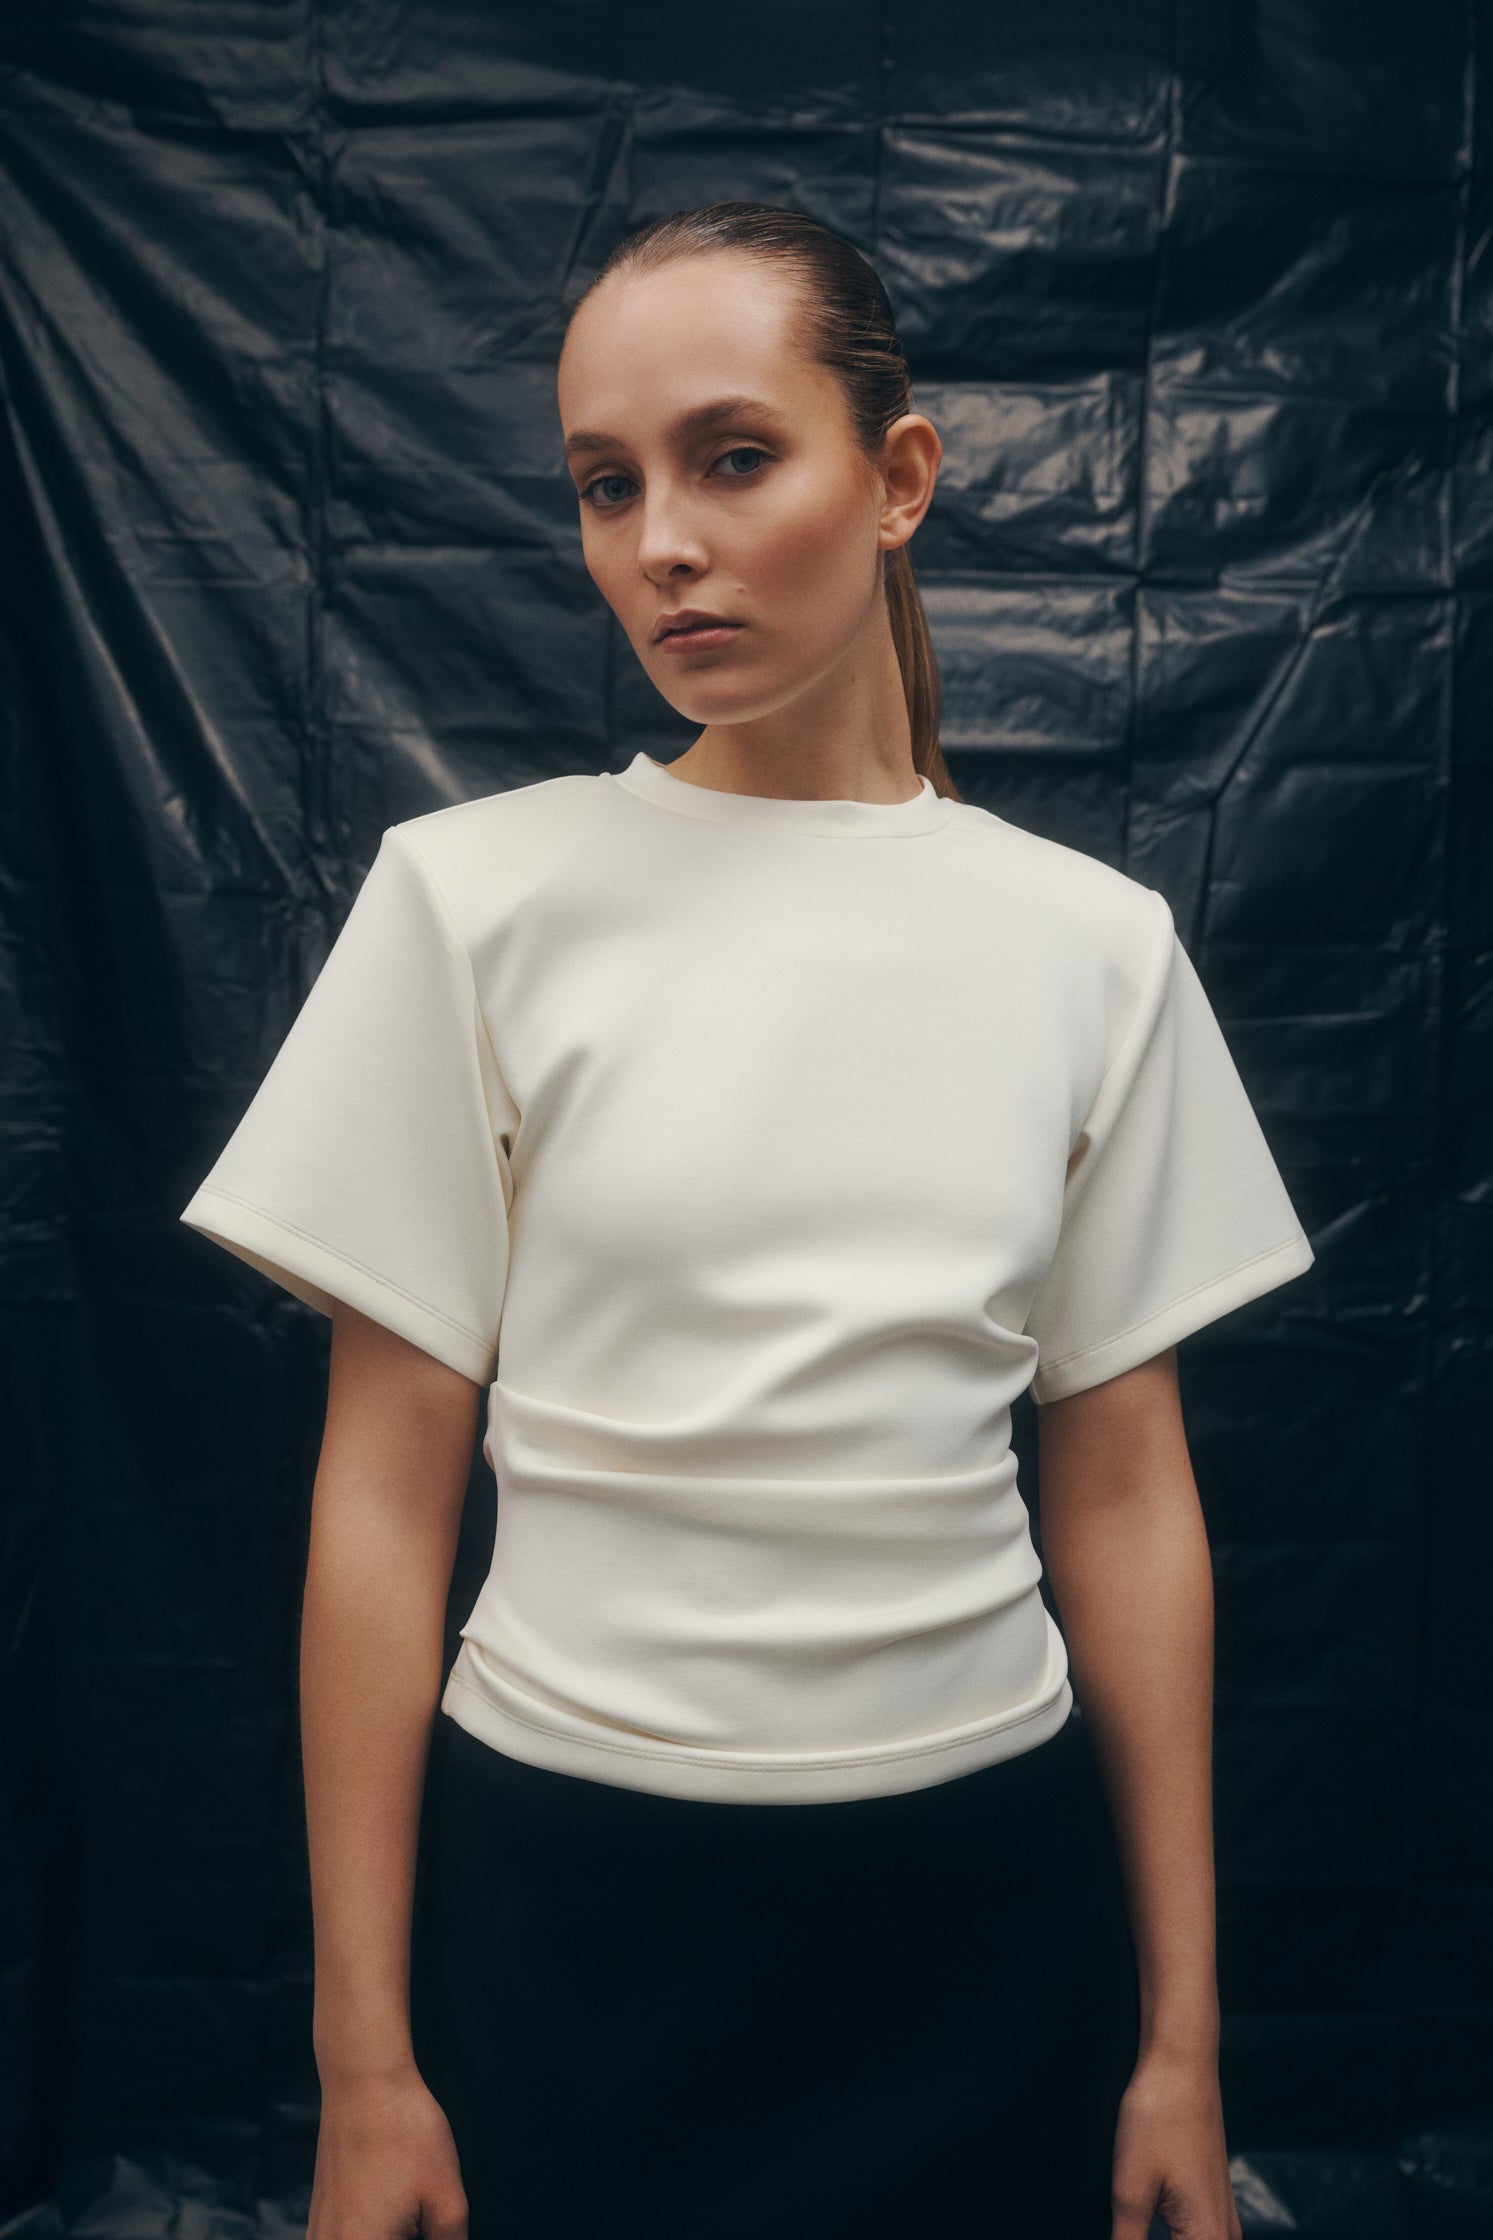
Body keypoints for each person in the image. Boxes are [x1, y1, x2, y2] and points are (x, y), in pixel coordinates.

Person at [179, 201, 1313, 2239]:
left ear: (899, 478)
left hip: (982, 1916)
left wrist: (1182, 2042)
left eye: (729, 457)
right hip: (569, 1919)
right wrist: (365, 2065)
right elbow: (382, 1501)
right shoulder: (472, 903)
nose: (661, 545)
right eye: (606, 485)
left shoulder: (1091, 947)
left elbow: (1130, 1494)